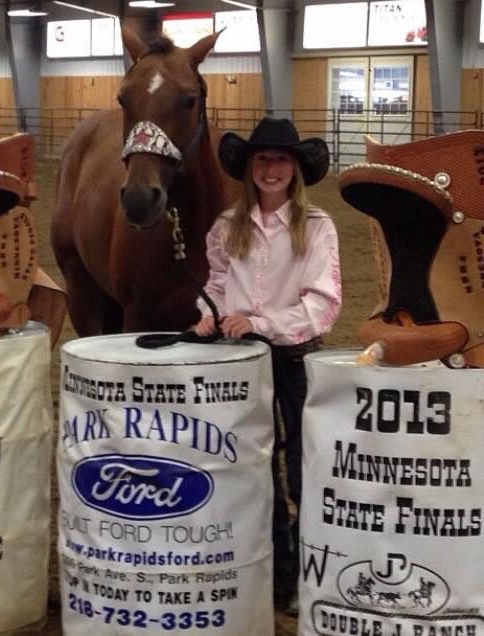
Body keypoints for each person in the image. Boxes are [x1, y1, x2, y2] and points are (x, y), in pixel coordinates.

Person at [193, 117, 342, 616]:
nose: (272, 168)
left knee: (304, 468)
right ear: (250, 167)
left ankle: (305, 573)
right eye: (263, 159)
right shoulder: (225, 228)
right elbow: (216, 285)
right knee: (253, 470)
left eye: (281, 159)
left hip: (296, 356)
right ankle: (272, 572)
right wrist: (207, 318)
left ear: (295, 168)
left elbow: (322, 305)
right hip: (240, 361)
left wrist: (260, 322)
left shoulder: (317, 227)